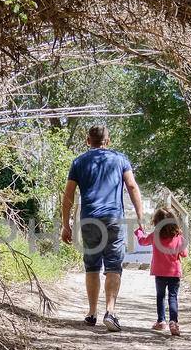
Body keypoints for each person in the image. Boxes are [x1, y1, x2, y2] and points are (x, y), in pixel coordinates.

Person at [59, 124, 144, 331]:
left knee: (92, 265)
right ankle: (110, 312)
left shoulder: (78, 161)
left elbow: (68, 195)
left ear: (88, 140)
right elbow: (132, 186)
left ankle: (91, 313)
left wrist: (65, 224)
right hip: (114, 218)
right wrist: (141, 217)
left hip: (89, 219)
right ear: (109, 140)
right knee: (113, 266)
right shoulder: (120, 159)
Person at [135, 205, 188, 335]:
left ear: (156, 222)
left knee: (160, 296)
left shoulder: (155, 236)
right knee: (173, 296)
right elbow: (184, 254)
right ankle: (173, 322)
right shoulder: (178, 237)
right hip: (174, 273)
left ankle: (161, 321)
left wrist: (139, 231)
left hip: (159, 272)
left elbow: (142, 241)